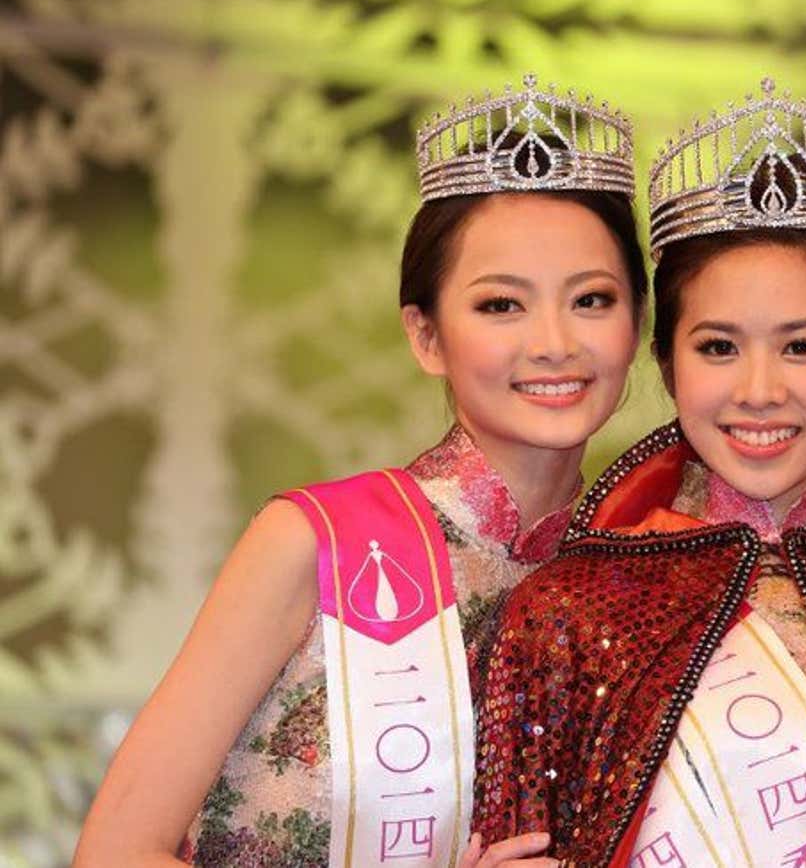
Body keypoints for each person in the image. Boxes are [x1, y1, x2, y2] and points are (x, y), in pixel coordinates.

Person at [75, 74, 646, 868]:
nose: (554, 341)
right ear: (426, 336)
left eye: (591, 299)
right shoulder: (316, 542)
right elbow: (113, 852)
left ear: (638, 327)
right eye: (500, 306)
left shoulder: (637, 580)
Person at [470, 78, 806, 867]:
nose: (759, 390)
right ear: (668, 366)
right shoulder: (563, 614)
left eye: (803, 347)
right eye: (719, 347)